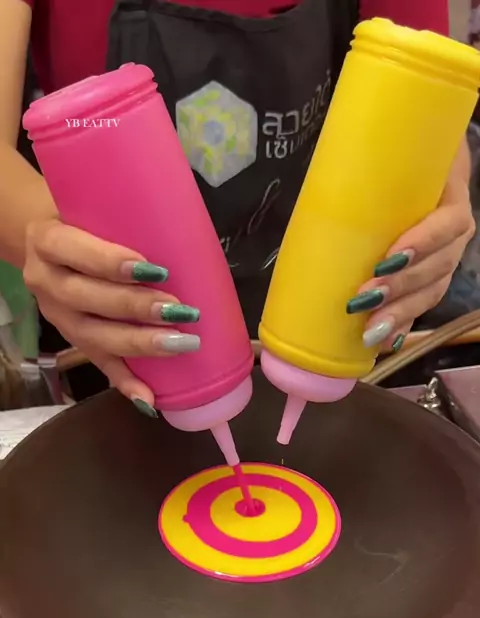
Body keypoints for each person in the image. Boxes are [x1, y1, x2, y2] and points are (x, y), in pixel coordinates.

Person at [0, 0, 475, 412]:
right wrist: (52, 244)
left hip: (338, 307)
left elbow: (425, 89)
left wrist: (438, 203)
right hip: (135, 323)